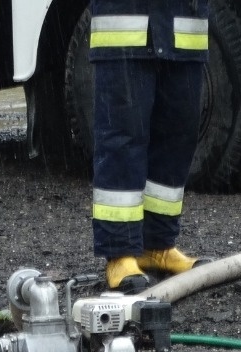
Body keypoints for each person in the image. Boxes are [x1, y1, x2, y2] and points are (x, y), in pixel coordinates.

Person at [87, 0, 210, 294]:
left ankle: (158, 244)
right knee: (122, 140)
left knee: (178, 134)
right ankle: (119, 252)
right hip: (125, 25)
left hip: (184, 27)